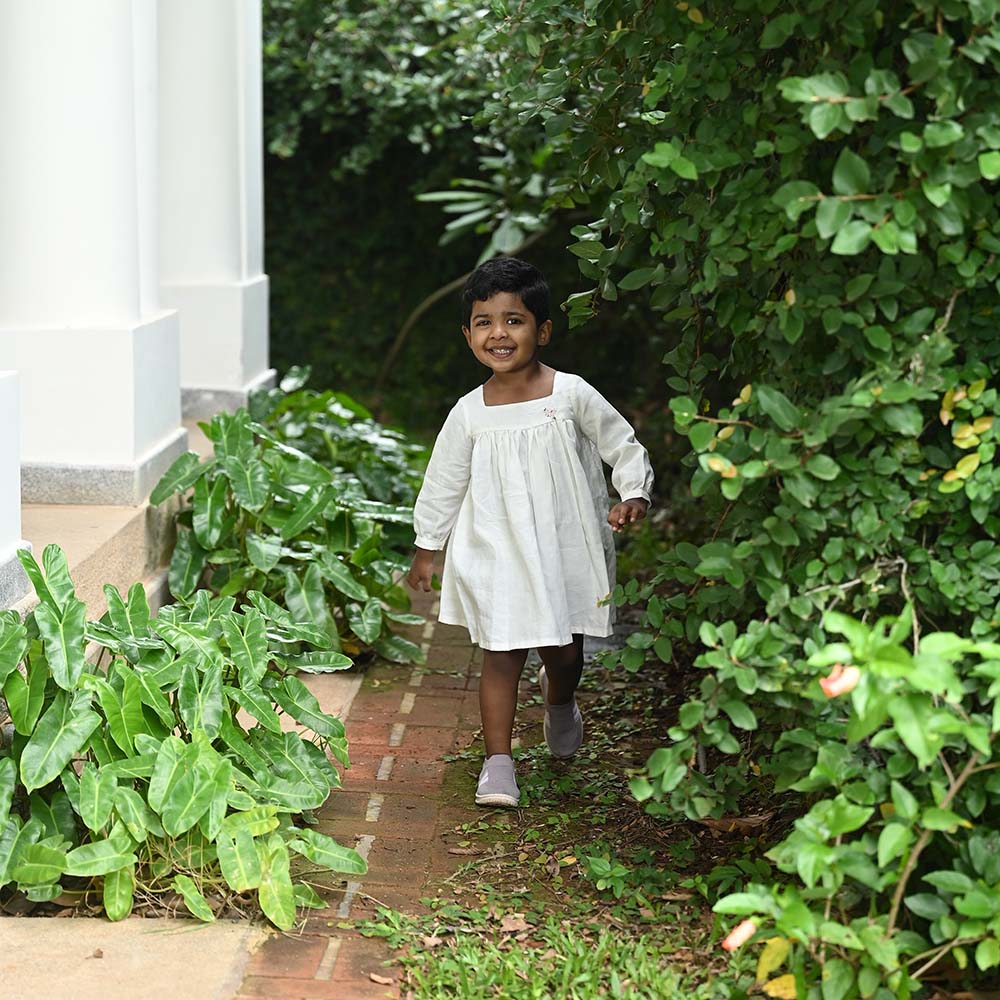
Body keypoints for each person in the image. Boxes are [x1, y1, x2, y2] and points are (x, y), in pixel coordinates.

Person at [406, 257, 653, 808]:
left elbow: (620, 443)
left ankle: (560, 701)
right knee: (501, 652)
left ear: (542, 331)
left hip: (563, 547)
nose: (499, 333)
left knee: (564, 652)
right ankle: (498, 763)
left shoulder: (570, 395)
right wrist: (427, 546)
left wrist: (632, 492)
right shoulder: (469, 413)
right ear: (468, 335)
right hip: (497, 549)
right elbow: (443, 480)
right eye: (485, 322)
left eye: (513, 320)